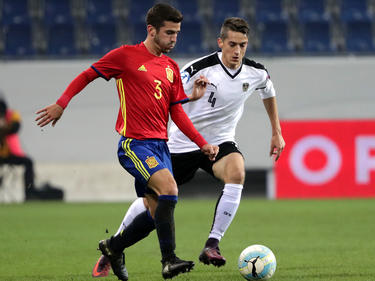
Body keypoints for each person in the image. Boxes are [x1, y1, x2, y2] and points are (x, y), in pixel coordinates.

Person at [35, 3, 219, 280]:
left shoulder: (170, 67)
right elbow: (88, 74)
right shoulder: (125, 56)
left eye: (177, 33)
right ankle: (168, 260)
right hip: (134, 145)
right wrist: (62, 103)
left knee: (156, 213)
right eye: (168, 33)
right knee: (170, 190)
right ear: (151, 30)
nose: (174, 39)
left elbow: (176, 111)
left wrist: (201, 142)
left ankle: (113, 246)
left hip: (160, 146)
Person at [91, 16, 285, 277]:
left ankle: (212, 245)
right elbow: (168, 98)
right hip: (181, 144)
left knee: (237, 171)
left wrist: (276, 132)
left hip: (220, 144)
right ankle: (114, 246)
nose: (237, 51)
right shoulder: (197, 69)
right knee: (152, 203)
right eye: (232, 44)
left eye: (243, 45)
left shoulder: (256, 72)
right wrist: (190, 97)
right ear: (220, 43)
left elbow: (268, 91)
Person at [0, 93, 63, 201]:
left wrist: (4, 126)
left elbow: (16, 127)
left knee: (28, 162)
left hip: (8, 154)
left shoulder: (12, 115)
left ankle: (29, 193)